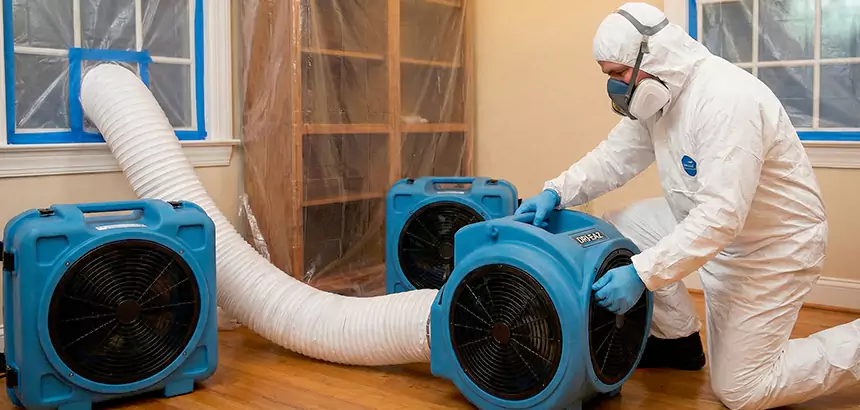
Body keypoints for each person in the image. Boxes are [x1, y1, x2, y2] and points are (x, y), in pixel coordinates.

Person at [515, 3, 860, 409]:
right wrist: (556, 191)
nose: (614, 87)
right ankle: (676, 340)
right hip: (714, 226)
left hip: (770, 249)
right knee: (622, 225)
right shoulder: (659, 97)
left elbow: (721, 216)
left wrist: (642, 274)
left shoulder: (726, 100)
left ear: (651, 57)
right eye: (608, 75)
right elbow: (614, 158)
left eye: (619, 74)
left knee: (742, 390)